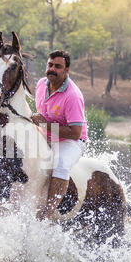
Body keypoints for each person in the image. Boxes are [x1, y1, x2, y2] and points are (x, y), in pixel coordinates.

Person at [31, 50, 87, 220]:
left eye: (58, 66)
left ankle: (48, 213)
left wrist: (45, 125)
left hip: (70, 141)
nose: (52, 69)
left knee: (60, 164)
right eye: (50, 65)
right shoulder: (41, 84)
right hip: (44, 135)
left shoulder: (73, 96)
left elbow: (75, 133)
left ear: (66, 71)